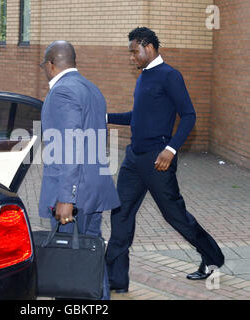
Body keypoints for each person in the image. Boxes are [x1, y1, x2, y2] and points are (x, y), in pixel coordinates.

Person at [105, 27, 225, 293]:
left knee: (175, 216)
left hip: (157, 160)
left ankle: (213, 257)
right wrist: (104, 117)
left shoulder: (170, 76)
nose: (131, 57)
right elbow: (137, 117)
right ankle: (115, 279)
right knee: (121, 212)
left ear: (148, 47)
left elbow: (189, 116)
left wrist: (170, 149)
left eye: (134, 52)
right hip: (133, 159)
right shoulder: (144, 77)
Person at [38, 40, 120, 300]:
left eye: (44, 66)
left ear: (51, 64)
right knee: (90, 260)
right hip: (95, 191)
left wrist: (66, 198)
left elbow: (70, 146)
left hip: (75, 196)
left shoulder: (62, 92)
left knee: (68, 266)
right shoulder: (92, 89)